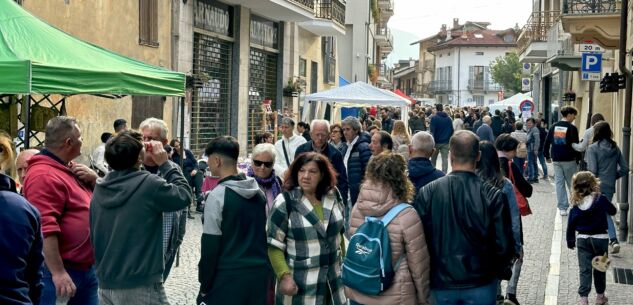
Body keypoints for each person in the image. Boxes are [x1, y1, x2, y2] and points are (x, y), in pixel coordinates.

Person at [413, 130, 514, 305]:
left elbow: (419, 241)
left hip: (441, 281)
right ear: (478, 156)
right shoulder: (493, 195)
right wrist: (498, 272)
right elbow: (504, 244)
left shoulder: (428, 192)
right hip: (481, 280)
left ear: (451, 155)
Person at [90, 130, 191, 305]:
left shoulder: (101, 186)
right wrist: (165, 164)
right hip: (140, 284)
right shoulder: (148, 184)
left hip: (106, 284)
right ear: (138, 159)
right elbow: (184, 196)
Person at [23, 116, 99, 305]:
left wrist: (94, 181)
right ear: (69, 142)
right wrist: (58, 272)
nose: (82, 141)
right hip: (60, 273)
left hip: (84, 270)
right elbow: (45, 228)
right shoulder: (44, 175)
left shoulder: (64, 168)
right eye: (80, 137)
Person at [346, 153, 430, 305]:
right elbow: (418, 263)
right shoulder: (407, 213)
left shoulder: (358, 207)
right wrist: (424, 296)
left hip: (358, 290)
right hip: (395, 295)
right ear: (402, 178)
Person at [198, 136, 270, 305]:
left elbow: (210, 245)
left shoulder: (217, 196)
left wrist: (204, 284)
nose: (207, 163)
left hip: (228, 277)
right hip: (258, 276)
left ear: (216, 160)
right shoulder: (258, 192)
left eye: (208, 159)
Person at [267, 152, 347, 305]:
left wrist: (346, 264)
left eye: (312, 171)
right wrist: (284, 276)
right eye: (302, 171)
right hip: (301, 285)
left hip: (333, 283)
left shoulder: (333, 195)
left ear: (322, 174)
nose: (306, 176)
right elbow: (273, 245)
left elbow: (340, 234)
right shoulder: (285, 202)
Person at [139, 118, 187, 280]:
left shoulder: (173, 170)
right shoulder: (131, 167)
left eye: (151, 139)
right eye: (142, 138)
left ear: (165, 142)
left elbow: (184, 204)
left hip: (164, 248)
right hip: (137, 250)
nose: (146, 143)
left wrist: (177, 242)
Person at [476, 142, 523, 305]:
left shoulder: (471, 182)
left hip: (475, 242)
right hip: (498, 243)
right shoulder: (505, 184)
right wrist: (517, 247)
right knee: (494, 285)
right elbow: (514, 219)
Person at [0, 144, 44, 305]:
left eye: (29, 168)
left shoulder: (24, 208)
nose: (25, 175)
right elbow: (35, 276)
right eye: (20, 169)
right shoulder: (23, 207)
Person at [566, 171, 616, 305]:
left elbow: (571, 224)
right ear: (594, 184)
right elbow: (613, 211)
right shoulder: (600, 198)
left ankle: (584, 299)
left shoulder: (576, 204)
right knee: (600, 268)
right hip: (601, 239)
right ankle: (600, 297)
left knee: (585, 270)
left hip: (583, 240)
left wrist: (570, 241)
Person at [586, 121, 629, 254]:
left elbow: (592, 169)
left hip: (596, 185)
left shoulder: (593, 148)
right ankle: (604, 240)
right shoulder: (615, 148)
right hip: (609, 186)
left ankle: (612, 240)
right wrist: (612, 176)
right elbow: (625, 169)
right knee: (602, 212)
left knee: (601, 213)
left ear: (596, 132)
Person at [295, 119, 349, 203]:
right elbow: (294, 176)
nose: (320, 138)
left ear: (328, 136)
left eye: (323, 135)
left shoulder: (335, 154)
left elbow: (342, 182)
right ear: (311, 134)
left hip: (327, 199)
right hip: (304, 199)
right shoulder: (301, 150)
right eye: (317, 135)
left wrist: (341, 202)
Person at [544, 106, 580, 216]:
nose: (574, 118)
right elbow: (576, 145)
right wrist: (578, 159)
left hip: (556, 159)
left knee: (559, 184)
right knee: (572, 183)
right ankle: (576, 204)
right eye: (574, 115)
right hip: (569, 159)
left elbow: (547, 143)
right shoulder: (572, 128)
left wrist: (547, 156)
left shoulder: (553, 127)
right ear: (569, 114)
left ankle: (563, 208)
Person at [341, 116, 372, 207]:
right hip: (347, 193)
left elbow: (368, 171)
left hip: (358, 193)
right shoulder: (345, 147)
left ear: (356, 130)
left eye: (348, 129)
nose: (345, 132)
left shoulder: (363, 147)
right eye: (343, 130)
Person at [495, 134, 534, 203]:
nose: (515, 153)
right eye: (514, 150)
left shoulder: (489, 160)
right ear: (506, 150)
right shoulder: (509, 165)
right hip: (507, 207)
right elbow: (527, 190)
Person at [170, 138, 201, 219]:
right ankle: (188, 209)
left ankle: (199, 196)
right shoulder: (174, 156)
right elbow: (176, 167)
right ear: (173, 147)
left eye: (179, 144)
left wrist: (195, 169)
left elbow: (195, 163)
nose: (178, 147)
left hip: (193, 173)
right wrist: (172, 154)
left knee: (200, 173)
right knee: (187, 179)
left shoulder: (187, 152)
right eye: (176, 146)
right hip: (184, 174)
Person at [430, 104, 453, 173]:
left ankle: (432, 172)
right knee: (445, 159)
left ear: (436, 109)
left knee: (433, 159)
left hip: (436, 142)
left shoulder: (434, 118)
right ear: (442, 109)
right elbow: (452, 130)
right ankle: (444, 173)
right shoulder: (449, 119)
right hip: (446, 142)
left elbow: (432, 130)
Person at [526, 118, 540, 182]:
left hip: (532, 149)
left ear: (533, 123)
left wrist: (536, 149)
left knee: (530, 163)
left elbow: (537, 140)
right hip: (531, 148)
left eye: (530, 123)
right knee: (534, 163)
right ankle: (535, 177)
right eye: (527, 123)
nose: (528, 124)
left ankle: (531, 177)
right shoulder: (530, 129)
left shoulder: (534, 129)